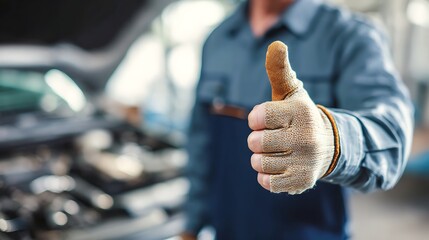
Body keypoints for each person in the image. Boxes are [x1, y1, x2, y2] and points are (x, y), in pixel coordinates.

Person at [181, 0, 414, 239]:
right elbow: (201, 145)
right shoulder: (217, 40)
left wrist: (331, 140)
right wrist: (191, 225)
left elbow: (392, 137)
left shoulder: (350, 35)